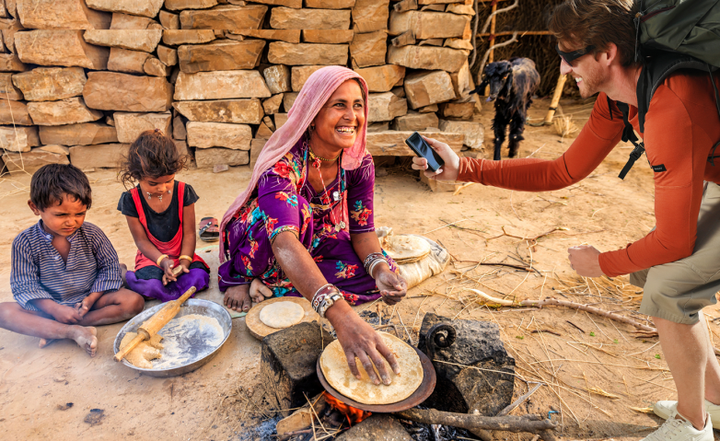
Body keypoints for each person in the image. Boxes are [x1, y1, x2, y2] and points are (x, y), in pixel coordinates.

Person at [413, 1, 720, 439]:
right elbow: (562, 171)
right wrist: (465, 168)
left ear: (606, 54)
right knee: (664, 279)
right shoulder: (620, 99)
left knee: (669, 288)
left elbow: (673, 241)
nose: (560, 68)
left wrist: (604, 263)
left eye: (570, 57)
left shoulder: (672, 107)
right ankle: (714, 400)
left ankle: (693, 427)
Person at [218, 66, 407, 385]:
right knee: (298, 212)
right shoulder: (282, 165)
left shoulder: (358, 164)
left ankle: (282, 287)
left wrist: (378, 270)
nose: (352, 116)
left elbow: (362, 232)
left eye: (357, 105)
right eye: (339, 105)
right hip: (265, 240)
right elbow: (284, 242)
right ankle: (248, 277)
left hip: (317, 239)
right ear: (313, 112)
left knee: (382, 271)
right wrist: (341, 316)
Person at [0, 164, 144, 357]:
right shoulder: (24, 242)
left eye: (80, 213)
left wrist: (91, 298)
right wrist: (54, 308)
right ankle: (70, 331)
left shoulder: (92, 234)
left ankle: (53, 329)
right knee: (3, 312)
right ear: (35, 207)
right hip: (48, 306)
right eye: (61, 215)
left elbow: (109, 267)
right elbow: (24, 285)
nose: (71, 221)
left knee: (133, 301)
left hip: (90, 300)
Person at [118, 130, 210, 302]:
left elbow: (189, 234)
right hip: (152, 257)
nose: (162, 189)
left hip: (181, 252)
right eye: (153, 183)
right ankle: (123, 274)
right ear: (136, 175)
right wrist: (162, 261)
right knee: (152, 287)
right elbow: (141, 241)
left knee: (199, 279)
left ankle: (172, 280)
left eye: (169, 180)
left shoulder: (184, 191)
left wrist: (184, 262)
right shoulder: (131, 200)